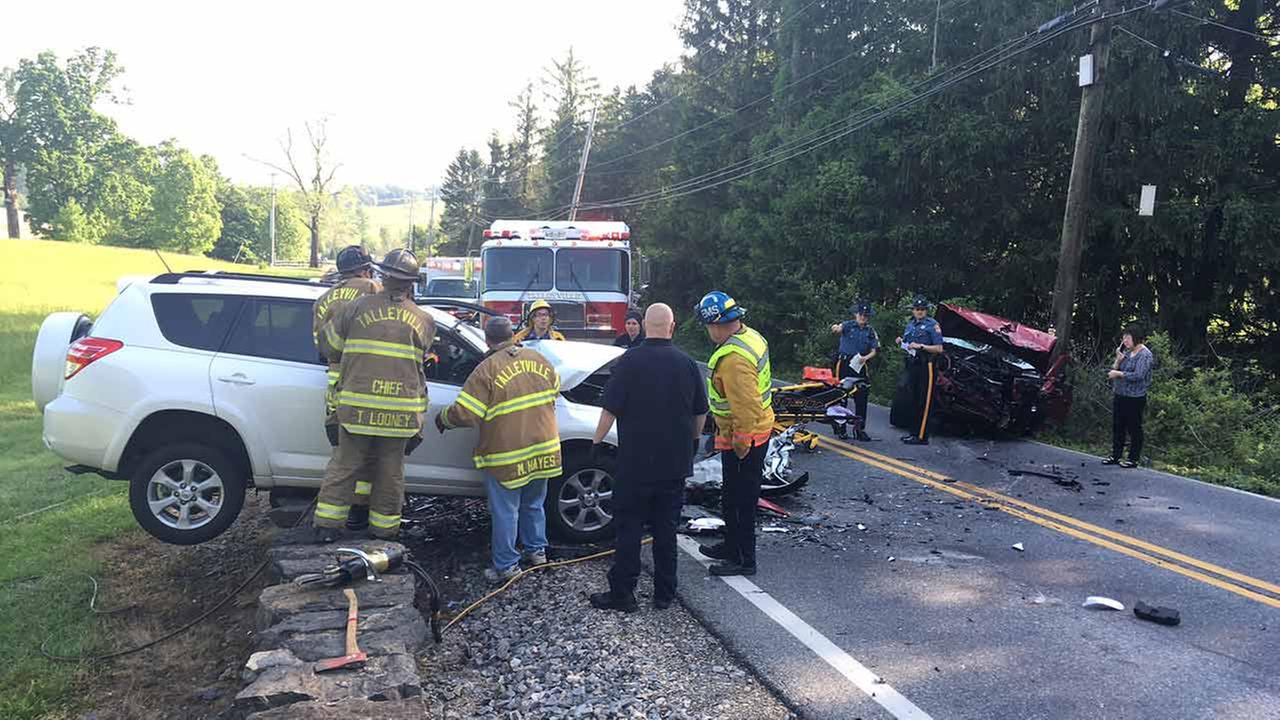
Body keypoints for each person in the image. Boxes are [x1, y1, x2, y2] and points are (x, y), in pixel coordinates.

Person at [589, 303, 708, 612]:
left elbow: (610, 408)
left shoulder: (630, 361)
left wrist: (597, 441)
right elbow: (700, 411)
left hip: (635, 464)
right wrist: (693, 442)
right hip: (674, 464)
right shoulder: (687, 364)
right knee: (666, 530)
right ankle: (664, 594)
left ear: (643, 326)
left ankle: (623, 594)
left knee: (628, 528)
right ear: (672, 326)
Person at [312, 249, 435, 543]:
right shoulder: (424, 319)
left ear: (383, 275)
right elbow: (422, 359)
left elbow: (328, 348)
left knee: (344, 466)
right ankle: (384, 531)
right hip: (400, 413)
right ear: (411, 283)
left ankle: (327, 528)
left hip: (357, 409)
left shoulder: (355, 309)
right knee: (391, 473)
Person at [434, 316, 562, 583]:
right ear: (513, 335)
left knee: (506, 510)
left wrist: (443, 418)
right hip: (544, 449)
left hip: (509, 455)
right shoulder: (539, 360)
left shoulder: (486, 370)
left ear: (487, 339)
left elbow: (465, 414)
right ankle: (537, 552)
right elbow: (555, 390)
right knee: (534, 504)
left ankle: (507, 566)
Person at [695, 291, 775, 577]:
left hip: (745, 436)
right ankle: (731, 545)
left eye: (708, 326)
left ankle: (744, 560)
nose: (708, 332)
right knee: (731, 496)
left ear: (716, 324)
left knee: (742, 500)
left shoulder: (734, 359)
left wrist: (741, 444)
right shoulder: (750, 336)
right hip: (748, 430)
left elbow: (746, 407)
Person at [313, 245, 381, 530]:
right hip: (366, 379)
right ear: (365, 269)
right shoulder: (372, 289)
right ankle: (361, 510)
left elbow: (321, 346)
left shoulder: (323, 299)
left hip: (336, 384)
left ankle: (336, 517)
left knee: (343, 453)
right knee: (370, 451)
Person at [894, 296, 944, 446]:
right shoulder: (910, 325)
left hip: (926, 365)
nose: (920, 312)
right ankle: (914, 433)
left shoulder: (932, 325)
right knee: (913, 399)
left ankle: (922, 435)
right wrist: (901, 342)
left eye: (922, 309)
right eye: (917, 309)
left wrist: (921, 346)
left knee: (924, 400)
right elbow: (909, 344)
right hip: (912, 364)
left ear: (926, 311)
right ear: (913, 311)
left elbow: (939, 348)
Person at [1105, 324, 1154, 468]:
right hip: (1120, 394)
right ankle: (1115, 455)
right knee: (1118, 426)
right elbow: (1113, 371)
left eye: (1128, 338)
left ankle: (1133, 458)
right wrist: (1118, 360)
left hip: (1135, 397)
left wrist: (1119, 374)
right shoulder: (1126, 352)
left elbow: (1139, 375)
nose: (1125, 341)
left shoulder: (1145, 355)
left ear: (1136, 338)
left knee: (1134, 427)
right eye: (1123, 338)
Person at [829, 301, 879, 441]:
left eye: (865, 315)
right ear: (856, 314)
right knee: (841, 396)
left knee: (861, 397)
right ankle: (841, 428)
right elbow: (837, 329)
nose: (862, 317)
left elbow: (874, 350)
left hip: (860, 364)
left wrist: (866, 358)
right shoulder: (848, 325)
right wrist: (835, 328)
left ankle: (859, 429)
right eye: (860, 314)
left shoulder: (870, 331)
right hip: (844, 363)